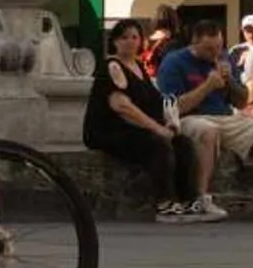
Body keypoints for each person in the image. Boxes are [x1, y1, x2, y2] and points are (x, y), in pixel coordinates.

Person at [156, 18, 253, 220]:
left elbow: (242, 102)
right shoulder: (174, 63)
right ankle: (201, 200)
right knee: (207, 131)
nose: (214, 53)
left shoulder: (222, 59)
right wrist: (207, 87)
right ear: (194, 43)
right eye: (208, 49)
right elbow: (174, 107)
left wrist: (229, 81)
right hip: (190, 117)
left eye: (218, 47)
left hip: (224, 116)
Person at [82, 18, 214, 221]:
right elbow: (122, 106)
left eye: (134, 37)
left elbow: (155, 101)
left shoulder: (138, 67)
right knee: (157, 146)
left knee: (182, 143)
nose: (130, 41)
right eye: (124, 37)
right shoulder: (113, 66)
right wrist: (156, 129)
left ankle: (188, 200)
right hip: (110, 130)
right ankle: (165, 203)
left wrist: (168, 122)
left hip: (135, 127)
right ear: (115, 41)